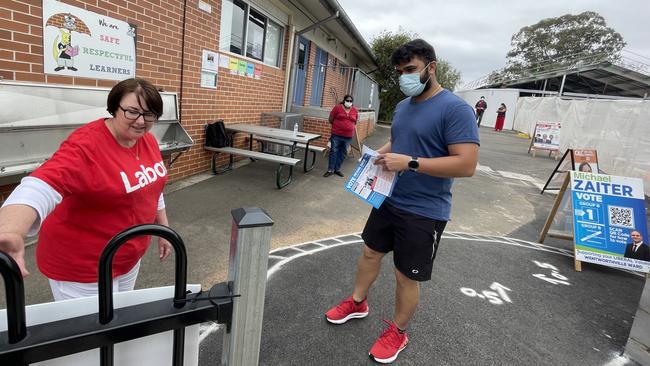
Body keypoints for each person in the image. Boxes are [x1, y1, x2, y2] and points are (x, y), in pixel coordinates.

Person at [324, 39, 479, 363]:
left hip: (425, 209)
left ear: (430, 67)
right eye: (400, 72)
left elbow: (466, 164)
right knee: (369, 252)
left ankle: (398, 330)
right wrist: (377, 155)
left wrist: (410, 163)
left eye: (411, 70)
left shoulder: (456, 109)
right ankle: (357, 302)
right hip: (389, 197)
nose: (405, 77)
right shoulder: (403, 106)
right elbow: (401, 139)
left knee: (405, 276)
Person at [0, 78, 173, 301]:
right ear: (114, 108)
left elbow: (153, 187)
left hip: (127, 258)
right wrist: (11, 229)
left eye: (149, 114)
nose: (141, 121)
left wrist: (164, 230)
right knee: (94, 334)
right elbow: (43, 183)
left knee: (119, 321)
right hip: (84, 270)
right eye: (132, 112)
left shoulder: (147, 140)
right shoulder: (86, 145)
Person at [324, 94, 358, 178]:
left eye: (350, 101)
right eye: (347, 100)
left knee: (343, 153)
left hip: (348, 136)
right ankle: (330, 170)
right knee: (334, 151)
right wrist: (338, 126)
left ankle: (337, 169)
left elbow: (355, 121)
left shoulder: (355, 110)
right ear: (344, 100)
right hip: (336, 135)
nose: (349, 102)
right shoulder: (337, 108)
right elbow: (330, 119)